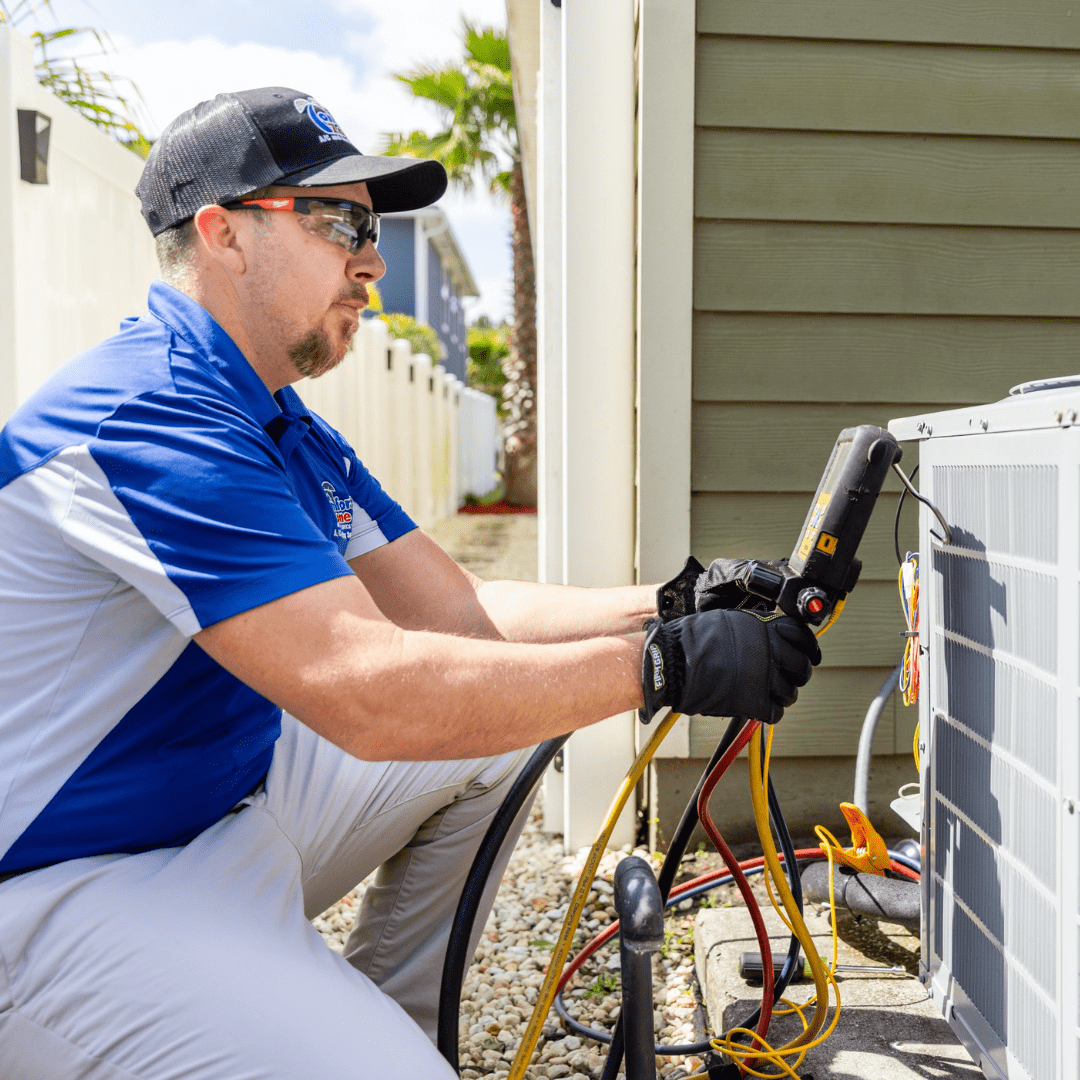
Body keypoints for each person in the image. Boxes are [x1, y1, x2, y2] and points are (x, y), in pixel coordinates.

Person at [0, 88, 820, 1079]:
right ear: (222, 234)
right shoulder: (148, 418)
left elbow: (457, 618)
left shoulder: (277, 418)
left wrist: (672, 605)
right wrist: (662, 668)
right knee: (456, 712)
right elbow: (375, 696)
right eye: (339, 220)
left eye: (373, 227)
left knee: (503, 726)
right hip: (67, 880)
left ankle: (385, 1028)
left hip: (212, 809)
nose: (372, 261)